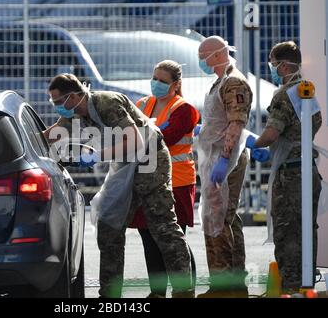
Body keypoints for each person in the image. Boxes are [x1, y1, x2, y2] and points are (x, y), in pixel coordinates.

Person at [43, 73, 193, 298]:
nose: (57, 107)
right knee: (108, 226)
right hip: (124, 162)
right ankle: (110, 294)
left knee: (163, 225)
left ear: (73, 97)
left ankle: (184, 291)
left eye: (58, 102)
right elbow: (50, 135)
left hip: (149, 158)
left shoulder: (107, 103)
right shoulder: (74, 113)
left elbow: (136, 141)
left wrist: (96, 156)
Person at [246, 41, 322, 293]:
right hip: (308, 169)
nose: (272, 68)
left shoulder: (283, 95)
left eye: (273, 62)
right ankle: (306, 282)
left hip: (290, 173)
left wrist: (252, 143)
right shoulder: (307, 90)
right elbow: (313, 126)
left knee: (287, 231)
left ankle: (290, 286)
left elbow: (271, 134)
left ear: (284, 64)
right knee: (306, 228)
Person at [128, 60, 200, 298]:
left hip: (176, 181)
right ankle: (157, 292)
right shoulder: (142, 104)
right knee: (148, 235)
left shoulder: (184, 109)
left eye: (163, 81)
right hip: (146, 181)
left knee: (173, 238)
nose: (156, 84)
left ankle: (184, 289)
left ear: (176, 84)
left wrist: (142, 134)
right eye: (155, 78)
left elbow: (164, 138)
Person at [196, 36, 253, 298]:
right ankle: (230, 283)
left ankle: (226, 285)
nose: (201, 61)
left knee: (220, 219)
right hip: (217, 156)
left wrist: (224, 158)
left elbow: (236, 123)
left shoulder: (233, 82)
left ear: (217, 55)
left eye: (203, 55)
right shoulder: (221, 82)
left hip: (225, 159)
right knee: (221, 217)